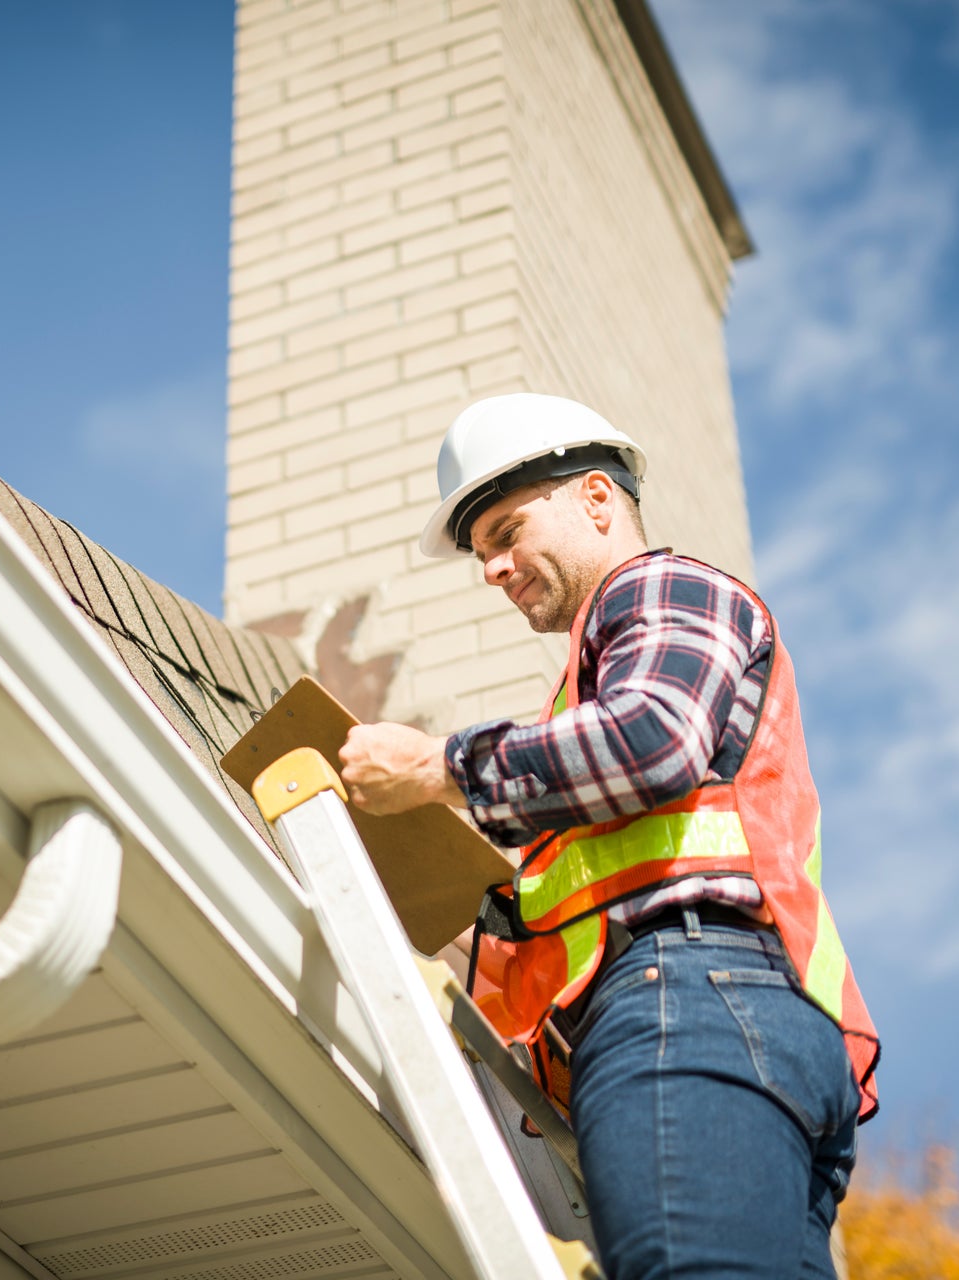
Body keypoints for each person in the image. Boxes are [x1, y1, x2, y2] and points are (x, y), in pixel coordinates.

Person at [339, 393, 879, 1280]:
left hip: (692, 1002)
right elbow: (594, 894)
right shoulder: (581, 700)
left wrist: (439, 767)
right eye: (482, 554)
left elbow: (653, 740)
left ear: (597, 498)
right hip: (740, 1023)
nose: (493, 569)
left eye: (507, 532)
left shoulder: (662, 587)